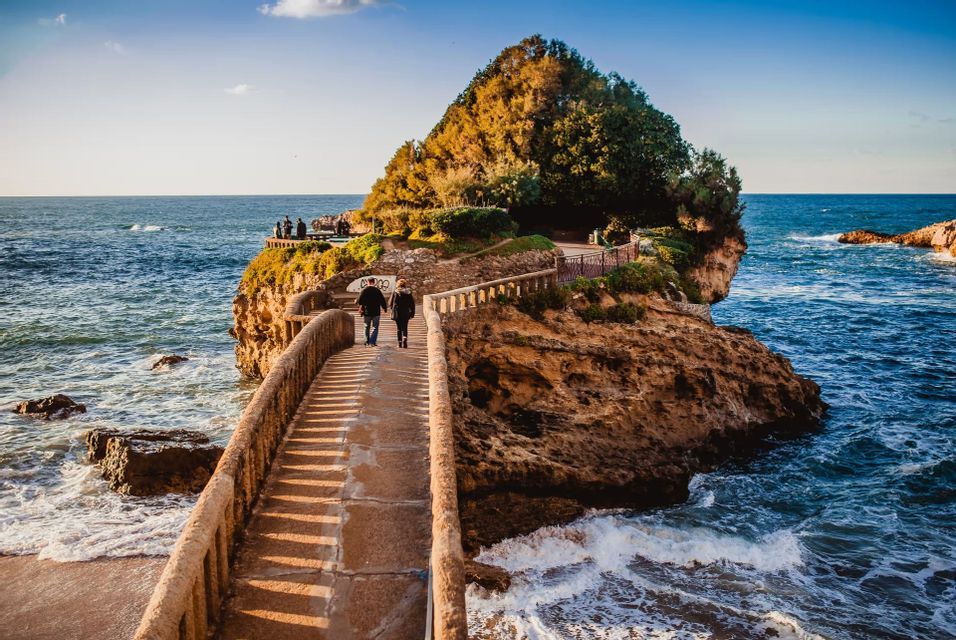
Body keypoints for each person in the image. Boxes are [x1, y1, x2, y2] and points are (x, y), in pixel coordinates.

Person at [356, 277, 388, 346]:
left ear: (368, 282)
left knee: (366, 326)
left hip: (367, 311)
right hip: (376, 312)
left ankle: (366, 341)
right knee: (375, 327)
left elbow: (359, 300)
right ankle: (372, 342)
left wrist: (360, 304)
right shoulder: (377, 290)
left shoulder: (364, 290)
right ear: (374, 282)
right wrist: (384, 308)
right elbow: (382, 300)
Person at [388, 279, 415, 348]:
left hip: (397, 312)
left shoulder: (395, 292)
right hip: (406, 312)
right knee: (405, 327)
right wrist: (412, 313)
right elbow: (412, 304)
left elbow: (390, 303)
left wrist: (392, 309)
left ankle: (399, 343)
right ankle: (405, 339)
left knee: (399, 328)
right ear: (405, 284)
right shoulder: (408, 292)